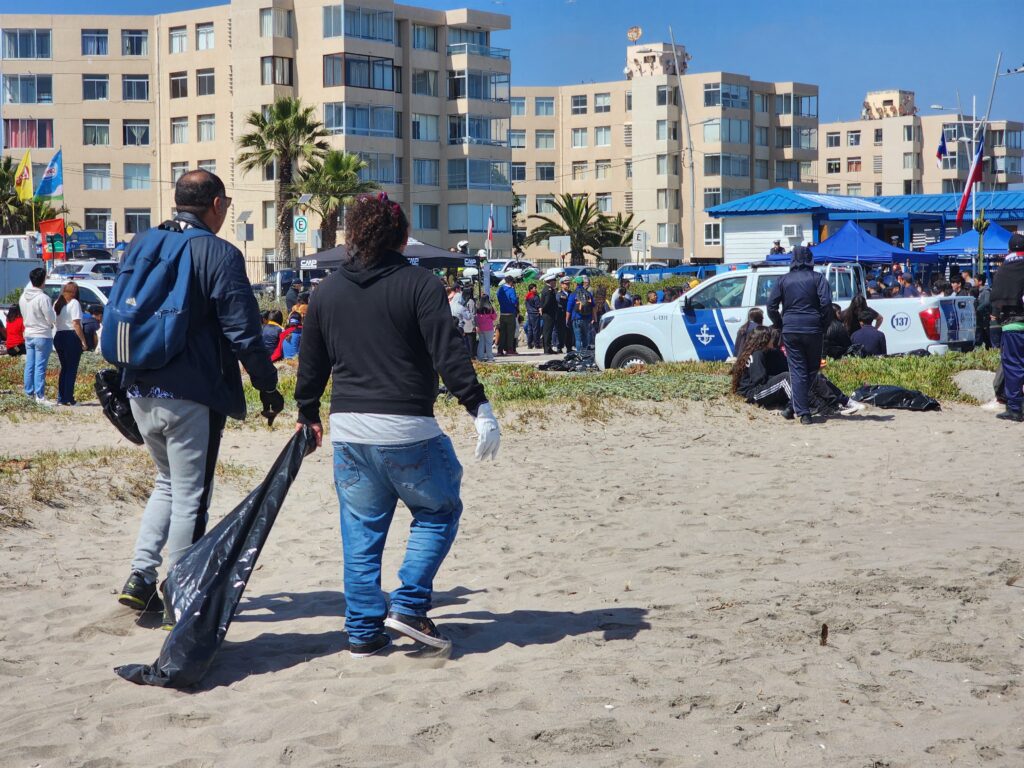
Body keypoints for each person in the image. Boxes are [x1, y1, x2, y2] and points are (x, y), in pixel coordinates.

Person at [293, 193, 500, 658]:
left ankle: (364, 631)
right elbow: (448, 351)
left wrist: (307, 413)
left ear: (352, 236)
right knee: (439, 509)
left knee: (361, 532)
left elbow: (311, 365)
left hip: (348, 427)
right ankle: (408, 605)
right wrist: (478, 408)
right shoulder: (420, 284)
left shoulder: (325, 292)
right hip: (406, 425)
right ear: (403, 237)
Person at [116, 170, 283, 627]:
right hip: (190, 394)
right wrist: (268, 387)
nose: (226, 210)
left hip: (138, 386)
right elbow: (244, 334)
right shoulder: (219, 253)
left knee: (167, 484)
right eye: (225, 202)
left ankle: (139, 577)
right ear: (214, 204)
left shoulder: (144, 243)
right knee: (191, 495)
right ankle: (182, 594)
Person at [731, 327, 863, 417]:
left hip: (762, 389)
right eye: (770, 337)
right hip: (753, 394)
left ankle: (836, 403)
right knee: (786, 378)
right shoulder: (757, 354)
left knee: (809, 376)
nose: (774, 339)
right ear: (764, 339)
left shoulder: (765, 353)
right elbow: (759, 380)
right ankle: (821, 408)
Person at [767, 245, 832, 425]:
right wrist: (823, 323)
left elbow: (771, 306)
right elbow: (826, 304)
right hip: (813, 328)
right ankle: (803, 412)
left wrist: (781, 323)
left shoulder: (783, 280)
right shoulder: (818, 278)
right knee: (811, 370)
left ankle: (794, 408)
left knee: (797, 371)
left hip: (791, 329)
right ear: (810, 259)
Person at [990, 232, 1024, 422]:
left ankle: (1015, 409)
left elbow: (996, 303)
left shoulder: (1004, 270)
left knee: (1013, 366)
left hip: (1013, 325)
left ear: (1009, 249)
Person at [18, 267, 56, 405]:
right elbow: (51, 318)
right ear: (42, 280)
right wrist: (50, 322)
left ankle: (28, 393)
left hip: (28, 333)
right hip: (42, 334)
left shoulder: (23, 297)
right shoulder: (43, 297)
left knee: (30, 365)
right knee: (40, 366)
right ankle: (39, 396)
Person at [52, 282, 89, 406]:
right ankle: (69, 398)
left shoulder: (57, 303)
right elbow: (76, 324)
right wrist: (83, 341)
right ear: (75, 292)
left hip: (59, 335)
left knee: (64, 368)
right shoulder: (74, 303)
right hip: (71, 336)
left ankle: (61, 397)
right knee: (71, 369)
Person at [566, 276, 594, 351]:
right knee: (585, 337)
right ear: (582, 283)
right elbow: (593, 306)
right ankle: (585, 354)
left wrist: (567, 320)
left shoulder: (573, 294)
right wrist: (594, 318)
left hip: (576, 318)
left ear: (576, 283)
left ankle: (579, 355)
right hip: (586, 318)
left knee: (578, 339)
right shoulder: (588, 294)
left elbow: (569, 309)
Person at [496, 274, 518, 356]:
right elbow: (514, 301)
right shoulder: (511, 290)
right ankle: (509, 349)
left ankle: (500, 350)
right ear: (511, 282)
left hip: (502, 313)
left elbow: (498, 297)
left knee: (503, 333)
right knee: (510, 333)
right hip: (510, 313)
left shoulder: (500, 289)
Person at [540, 275, 559, 354]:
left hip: (549, 313)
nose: (555, 283)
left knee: (548, 331)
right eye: (554, 282)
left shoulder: (549, 289)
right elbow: (547, 302)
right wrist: (542, 309)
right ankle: (547, 349)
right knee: (547, 332)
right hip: (548, 314)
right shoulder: (548, 290)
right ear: (551, 282)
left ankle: (548, 348)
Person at [476, 295, 496, 361]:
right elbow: (494, 317)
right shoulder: (490, 308)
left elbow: (477, 318)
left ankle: (480, 357)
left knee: (481, 342)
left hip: (480, 327)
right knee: (489, 343)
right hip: (489, 328)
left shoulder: (478, 308)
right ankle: (490, 357)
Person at [556, 276, 573, 354]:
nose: (567, 285)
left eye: (568, 284)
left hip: (570, 315)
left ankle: (569, 347)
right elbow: (559, 303)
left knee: (569, 332)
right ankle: (559, 347)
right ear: (561, 285)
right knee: (561, 332)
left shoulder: (571, 293)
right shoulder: (559, 294)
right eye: (565, 284)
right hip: (561, 315)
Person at [974, 273, 991, 348]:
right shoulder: (978, 291)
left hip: (985, 318)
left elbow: (987, 302)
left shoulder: (986, 291)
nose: (974, 283)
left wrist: (978, 309)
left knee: (987, 337)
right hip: (980, 318)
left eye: (975, 281)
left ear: (980, 282)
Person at [524, 282, 542, 349]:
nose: (536, 289)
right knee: (536, 330)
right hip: (535, 314)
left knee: (530, 329)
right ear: (531, 289)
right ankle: (536, 344)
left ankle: (529, 344)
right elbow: (538, 305)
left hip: (529, 314)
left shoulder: (527, 296)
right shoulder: (535, 296)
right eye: (535, 288)